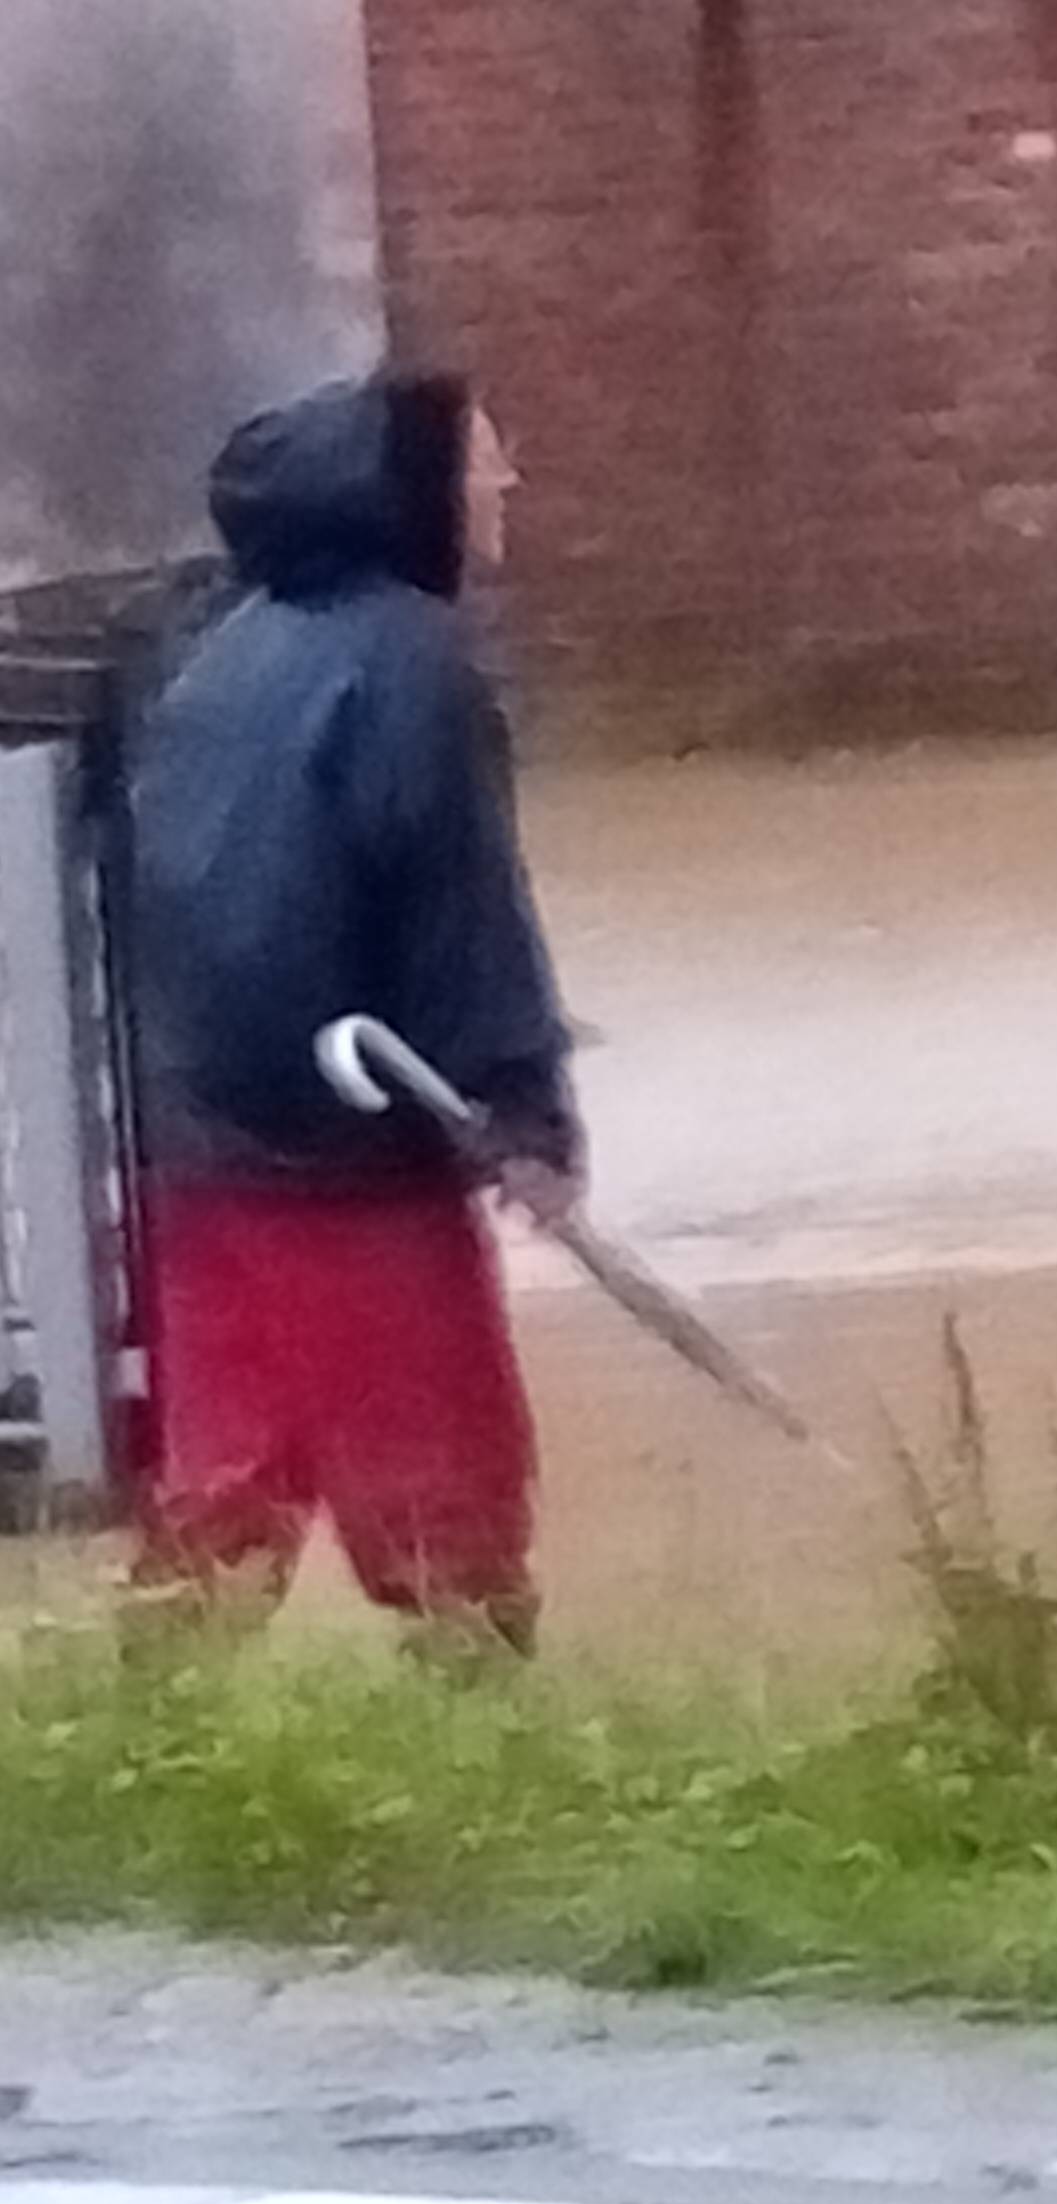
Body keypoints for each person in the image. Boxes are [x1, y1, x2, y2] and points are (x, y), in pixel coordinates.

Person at [125, 369, 580, 1655]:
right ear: (420, 490)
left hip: (207, 1150)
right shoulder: (413, 661)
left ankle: (142, 1750)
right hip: (359, 1167)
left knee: (220, 1490)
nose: (506, 485)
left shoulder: (223, 649)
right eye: (487, 460)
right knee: (448, 1502)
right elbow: (459, 911)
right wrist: (528, 1112)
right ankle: (500, 1782)